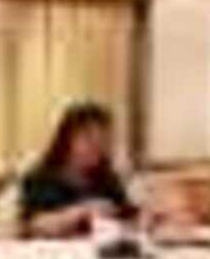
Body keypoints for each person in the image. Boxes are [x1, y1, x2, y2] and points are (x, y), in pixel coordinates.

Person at [20, 102, 137, 238]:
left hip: (97, 249)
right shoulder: (42, 177)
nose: (97, 146)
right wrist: (82, 211)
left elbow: (125, 216)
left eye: (103, 139)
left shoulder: (107, 179)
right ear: (67, 140)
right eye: (88, 138)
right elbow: (36, 226)